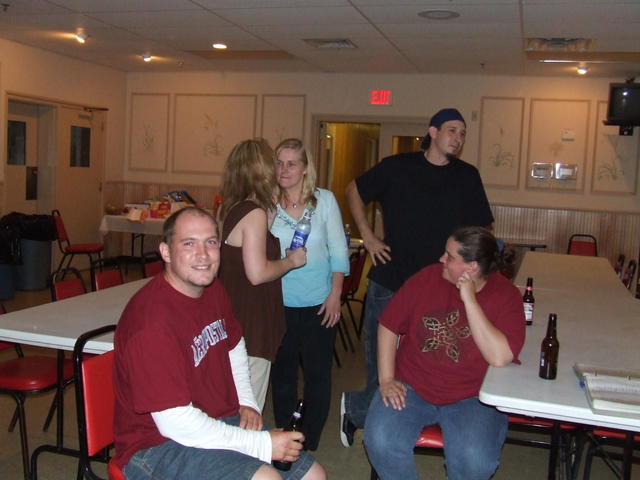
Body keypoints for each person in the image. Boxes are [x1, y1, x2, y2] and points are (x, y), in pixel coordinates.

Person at [113, 207, 325, 480]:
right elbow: (175, 423)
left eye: (211, 242)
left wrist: (246, 401)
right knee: (267, 478)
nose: (203, 254)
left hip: (213, 419)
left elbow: (233, 344)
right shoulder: (151, 323)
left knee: (314, 475)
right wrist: (261, 444)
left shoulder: (212, 289)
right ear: (165, 252)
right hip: (156, 445)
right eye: (189, 243)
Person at [341, 107, 494, 446]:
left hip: (441, 288)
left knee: (425, 367)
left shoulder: (467, 176)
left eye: (463, 133)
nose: (458, 138)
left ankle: (378, 418)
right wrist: (368, 237)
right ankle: (367, 419)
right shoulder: (397, 167)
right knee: (381, 369)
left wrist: (475, 274)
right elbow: (353, 190)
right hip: (391, 282)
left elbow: (481, 232)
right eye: (452, 130)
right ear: (433, 132)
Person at [363, 227, 525, 480]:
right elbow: (388, 325)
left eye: (449, 256)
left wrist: (470, 300)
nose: (441, 259)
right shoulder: (427, 278)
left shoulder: (506, 296)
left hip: (473, 396)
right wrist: (386, 379)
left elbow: (500, 357)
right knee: (380, 441)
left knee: (475, 462)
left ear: (471, 267)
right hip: (412, 386)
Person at [270, 138, 350, 451]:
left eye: (291, 163)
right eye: (279, 163)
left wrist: (335, 294)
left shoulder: (324, 201)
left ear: (305, 168)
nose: (284, 169)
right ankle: (286, 437)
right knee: (283, 373)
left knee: (317, 374)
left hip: (320, 302)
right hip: (279, 302)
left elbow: (338, 250)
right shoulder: (268, 202)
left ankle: (310, 439)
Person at [218, 139, 307, 410]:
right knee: (249, 410)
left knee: (233, 405)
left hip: (235, 316)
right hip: (251, 323)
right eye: (273, 164)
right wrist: (290, 261)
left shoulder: (231, 208)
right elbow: (257, 273)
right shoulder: (253, 213)